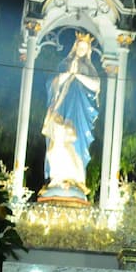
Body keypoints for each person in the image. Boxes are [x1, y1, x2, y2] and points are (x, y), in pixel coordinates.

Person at [38, 31, 101, 204]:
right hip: (62, 109)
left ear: (87, 50)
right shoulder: (64, 64)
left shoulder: (89, 68)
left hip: (79, 112)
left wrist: (78, 76)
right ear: (75, 47)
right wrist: (68, 74)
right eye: (79, 46)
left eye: (84, 47)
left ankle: (75, 179)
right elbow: (52, 83)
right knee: (57, 141)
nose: (81, 50)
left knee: (77, 142)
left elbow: (96, 85)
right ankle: (57, 177)